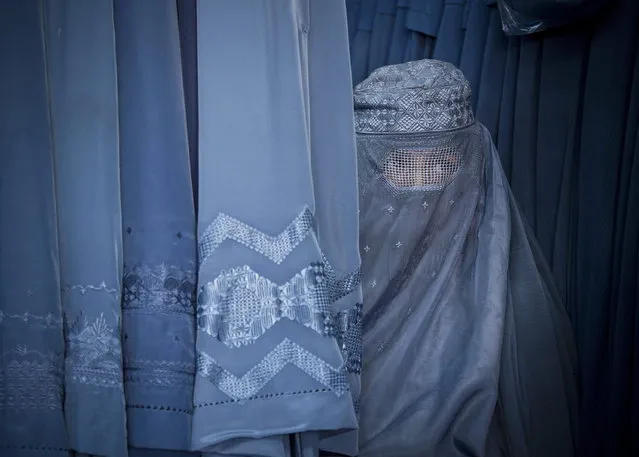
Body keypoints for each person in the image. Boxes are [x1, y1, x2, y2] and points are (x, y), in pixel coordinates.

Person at [354, 59, 578, 457]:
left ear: (469, 163)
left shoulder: (495, 302)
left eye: (441, 164)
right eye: (402, 166)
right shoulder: (322, 275)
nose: (423, 185)